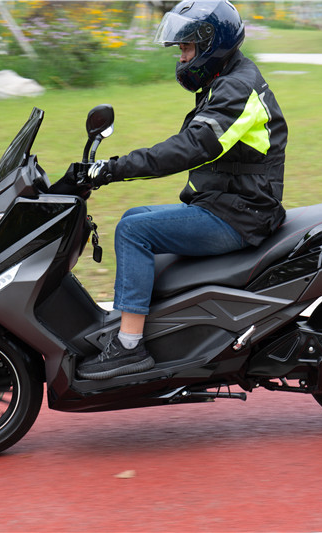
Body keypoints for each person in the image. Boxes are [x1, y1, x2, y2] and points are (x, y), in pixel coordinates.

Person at [76, 0, 288, 380]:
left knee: (133, 231)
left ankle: (129, 347)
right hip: (228, 204)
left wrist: (113, 169)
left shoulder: (237, 90)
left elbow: (189, 148)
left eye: (187, 48)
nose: (182, 58)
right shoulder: (227, 79)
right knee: (133, 216)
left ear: (211, 45)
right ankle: (144, 324)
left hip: (240, 214)